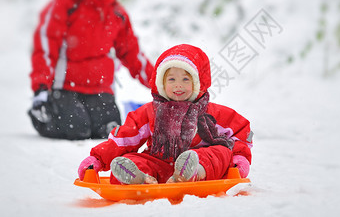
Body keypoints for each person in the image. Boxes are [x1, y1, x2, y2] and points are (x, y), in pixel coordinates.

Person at [77, 44, 253, 184]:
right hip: (160, 165)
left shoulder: (210, 113)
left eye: (185, 79)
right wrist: (97, 159)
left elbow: (240, 132)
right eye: (171, 79)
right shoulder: (151, 112)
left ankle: (192, 173)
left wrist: (239, 159)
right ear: (161, 83)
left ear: (198, 82)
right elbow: (124, 138)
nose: (178, 85)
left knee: (221, 152)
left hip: (200, 162)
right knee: (130, 158)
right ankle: (141, 179)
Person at [28, 0, 154, 140]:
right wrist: (41, 86)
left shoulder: (117, 14)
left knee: (109, 130)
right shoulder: (67, 5)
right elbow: (46, 46)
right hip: (65, 87)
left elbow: (132, 53)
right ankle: (42, 115)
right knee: (77, 129)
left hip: (100, 88)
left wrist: (159, 83)